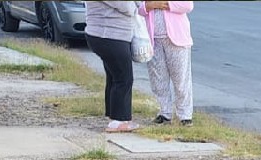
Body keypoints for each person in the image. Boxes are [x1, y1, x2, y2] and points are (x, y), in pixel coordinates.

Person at [84, 1, 138, 132]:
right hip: (109, 34)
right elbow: (128, 7)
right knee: (123, 79)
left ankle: (116, 117)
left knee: (114, 77)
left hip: (107, 34)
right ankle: (119, 121)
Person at [140, 1, 195, 126]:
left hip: (177, 39)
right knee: (158, 79)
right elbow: (139, 9)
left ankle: (185, 115)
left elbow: (187, 5)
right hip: (153, 39)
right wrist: (149, 6)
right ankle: (164, 113)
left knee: (180, 79)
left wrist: (164, 3)